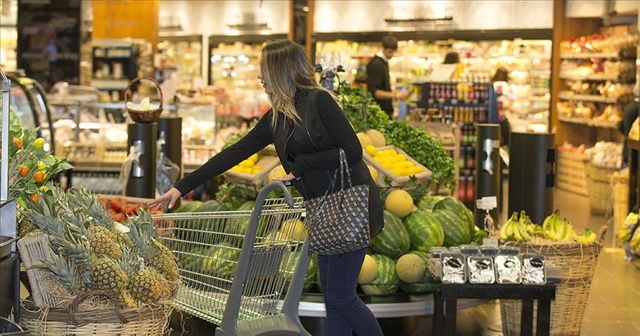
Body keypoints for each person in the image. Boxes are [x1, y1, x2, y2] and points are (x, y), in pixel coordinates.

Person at [149, 39, 384, 336]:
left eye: (264, 70)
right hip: (321, 208)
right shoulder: (276, 117)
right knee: (333, 299)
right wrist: (181, 187)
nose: (260, 76)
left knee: (342, 297)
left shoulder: (319, 100)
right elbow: (235, 152)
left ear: (280, 71)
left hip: (351, 205)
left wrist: (301, 165)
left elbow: (352, 151)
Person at [366, 35, 410, 119]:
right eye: (390, 52)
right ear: (383, 48)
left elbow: (381, 86)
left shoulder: (382, 62)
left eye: (394, 52)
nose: (392, 55)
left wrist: (395, 92)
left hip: (382, 111)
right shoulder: (377, 65)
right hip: (379, 112)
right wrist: (395, 95)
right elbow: (375, 92)